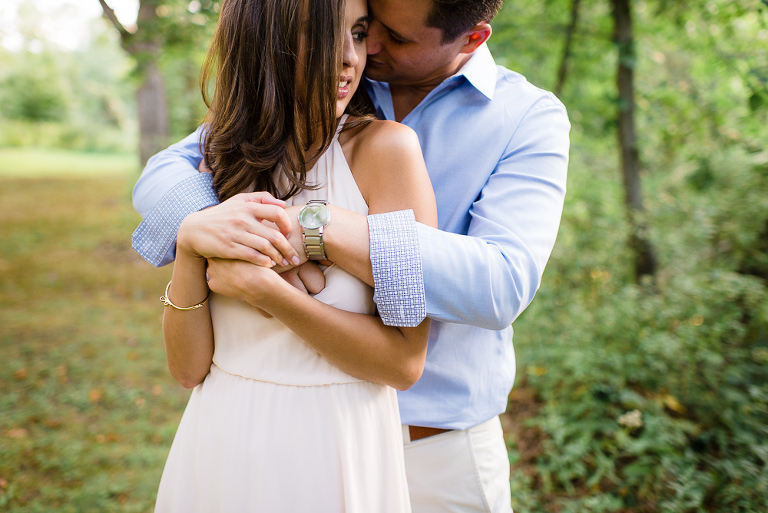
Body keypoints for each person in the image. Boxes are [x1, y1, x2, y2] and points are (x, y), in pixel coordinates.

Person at [133, 0, 570, 511]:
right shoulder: (318, 87)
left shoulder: (524, 117)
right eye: (369, 27)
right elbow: (166, 173)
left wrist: (309, 227)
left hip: (436, 445)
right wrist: (210, 230)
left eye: (395, 38)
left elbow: (501, 286)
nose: (370, 49)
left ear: (472, 40)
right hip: (269, 434)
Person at [151, 0, 439, 511]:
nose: (348, 58)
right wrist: (193, 239)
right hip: (221, 439)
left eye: (356, 33)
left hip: (336, 445)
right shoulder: (216, 161)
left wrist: (268, 292)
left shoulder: (387, 152)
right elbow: (187, 370)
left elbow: (403, 363)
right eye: (325, 36)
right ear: (264, 40)